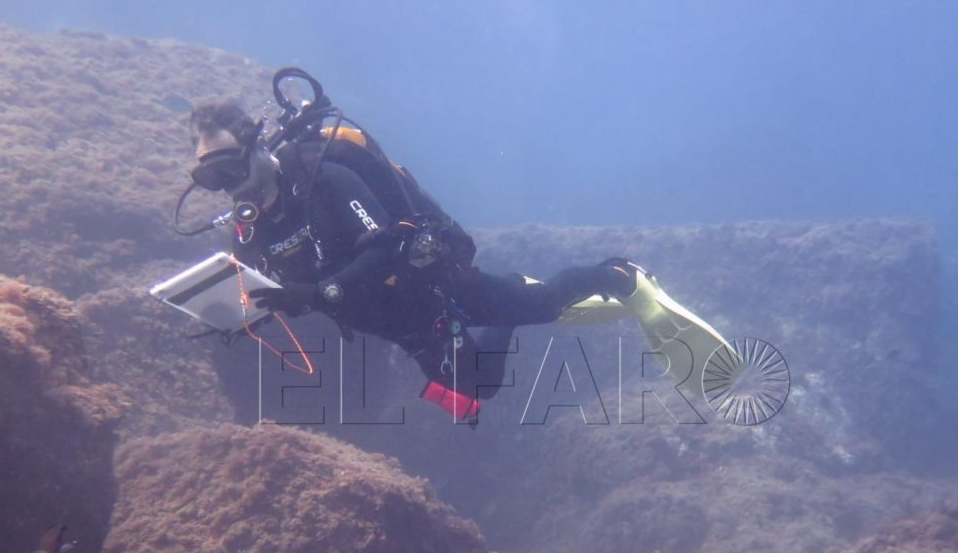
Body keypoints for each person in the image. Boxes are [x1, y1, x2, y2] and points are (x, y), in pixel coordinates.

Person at [185, 89, 638, 419]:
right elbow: (269, 287)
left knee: (541, 305)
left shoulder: (322, 179)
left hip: (430, 285)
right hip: (390, 321)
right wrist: (235, 316)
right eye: (211, 179)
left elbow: (386, 246)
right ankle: (507, 315)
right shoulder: (250, 227)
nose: (228, 187)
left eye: (229, 169)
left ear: (256, 147)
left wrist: (320, 294)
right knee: (480, 387)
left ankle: (616, 273)